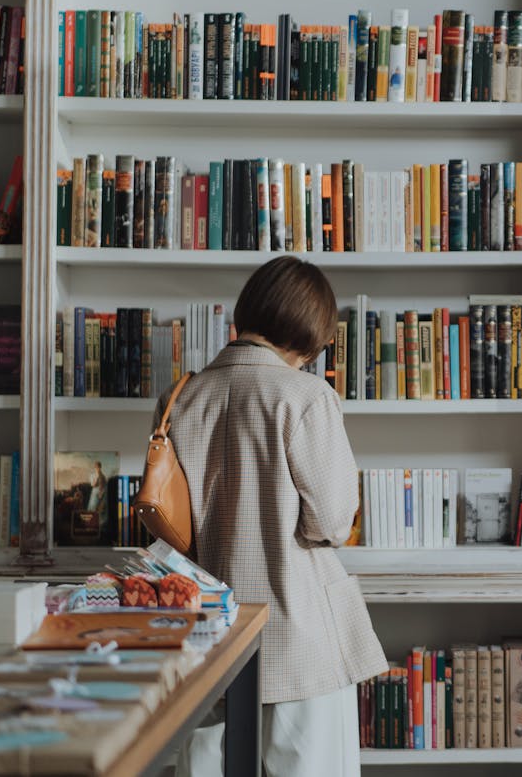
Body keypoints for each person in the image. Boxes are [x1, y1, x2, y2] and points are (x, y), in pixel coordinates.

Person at [159, 256, 386, 777]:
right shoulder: (307, 397)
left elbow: (175, 521)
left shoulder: (180, 397)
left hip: (205, 631)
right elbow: (331, 522)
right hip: (297, 631)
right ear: (312, 334)